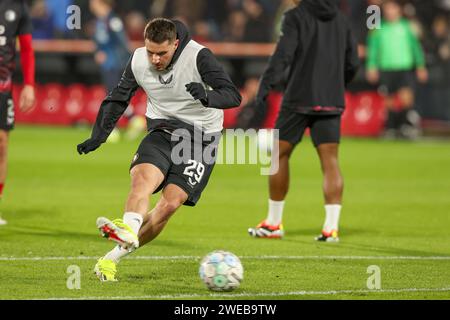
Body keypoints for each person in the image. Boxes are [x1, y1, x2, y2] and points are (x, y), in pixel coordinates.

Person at [77, 18, 241, 281]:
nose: (154, 59)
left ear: (175, 44)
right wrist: (99, 135)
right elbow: (119, 97)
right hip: (163, 130)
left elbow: (233, 95)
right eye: (150, 51)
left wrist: (207, 96)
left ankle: (110, 259)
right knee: (142, 179)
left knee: (170, 203)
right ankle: (129, 228)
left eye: (161, 53)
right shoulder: (139, 59)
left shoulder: (199, 57)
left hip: (201, 139)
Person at [247, 0, 359, 242]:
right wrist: (337, 85)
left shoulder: (295, 16)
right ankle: (330, 229)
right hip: (331, 99)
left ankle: (274, 223)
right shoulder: (341, 19)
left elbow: (283, 54)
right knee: (330, 161)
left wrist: (266, 83)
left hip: (298, 98)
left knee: (278, 155)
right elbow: (353, 62)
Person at [366, 0, 428, 139]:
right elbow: (373, 49)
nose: (390, 11)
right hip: (386, 67)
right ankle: (391, 128)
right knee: (389, 100)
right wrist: (371, 66)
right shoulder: (377, 27)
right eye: (387, 9)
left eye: (393, 8)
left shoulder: (407, 27)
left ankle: (405, 126)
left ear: (399, 10)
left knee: (406, 98)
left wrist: (421, 66)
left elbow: (416, 48)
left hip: (404, 67)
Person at [0, 0, 36, 225]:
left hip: (3, 88)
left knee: (2, 144)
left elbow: (27, 48)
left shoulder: (17, 6)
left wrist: (29, 85)